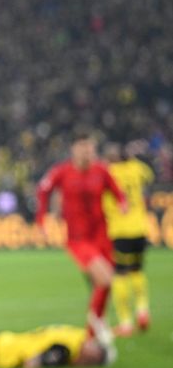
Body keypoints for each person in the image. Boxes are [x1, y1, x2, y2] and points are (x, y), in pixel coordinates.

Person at [36, 132, 126, 339]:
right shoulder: (62, 172)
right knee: (105, 279)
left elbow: (117, 191)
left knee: (103, 283)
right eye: (83, 147)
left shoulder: (101, 170)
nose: (87, 151)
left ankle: (94, 330)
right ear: (74, 150)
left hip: (102, 236)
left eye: (90, 147)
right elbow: (43, 190)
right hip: (78, 239)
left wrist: (122, 203)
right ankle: (95, 326)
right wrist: (42, 219)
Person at [102, 142, 155, 337]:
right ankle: (143, 310)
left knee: (120, 274)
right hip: (140, 229)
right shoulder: (136, 168)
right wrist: (132, 159)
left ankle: (125, 322)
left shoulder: (108, 173)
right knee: (137, 270)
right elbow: (149, 175)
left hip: (120, 231)